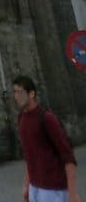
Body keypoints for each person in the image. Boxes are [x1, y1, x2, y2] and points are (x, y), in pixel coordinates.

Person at [13, 74, 79, 202]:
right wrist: (26, 186)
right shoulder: (21, 118)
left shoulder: (47, 118)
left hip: (53, 189)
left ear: (31, 94)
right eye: (15, 92)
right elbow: (29, 155)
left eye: (20, 92)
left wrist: (72, 193)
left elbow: (68, 156)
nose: (17, 96)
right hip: (34, 188)